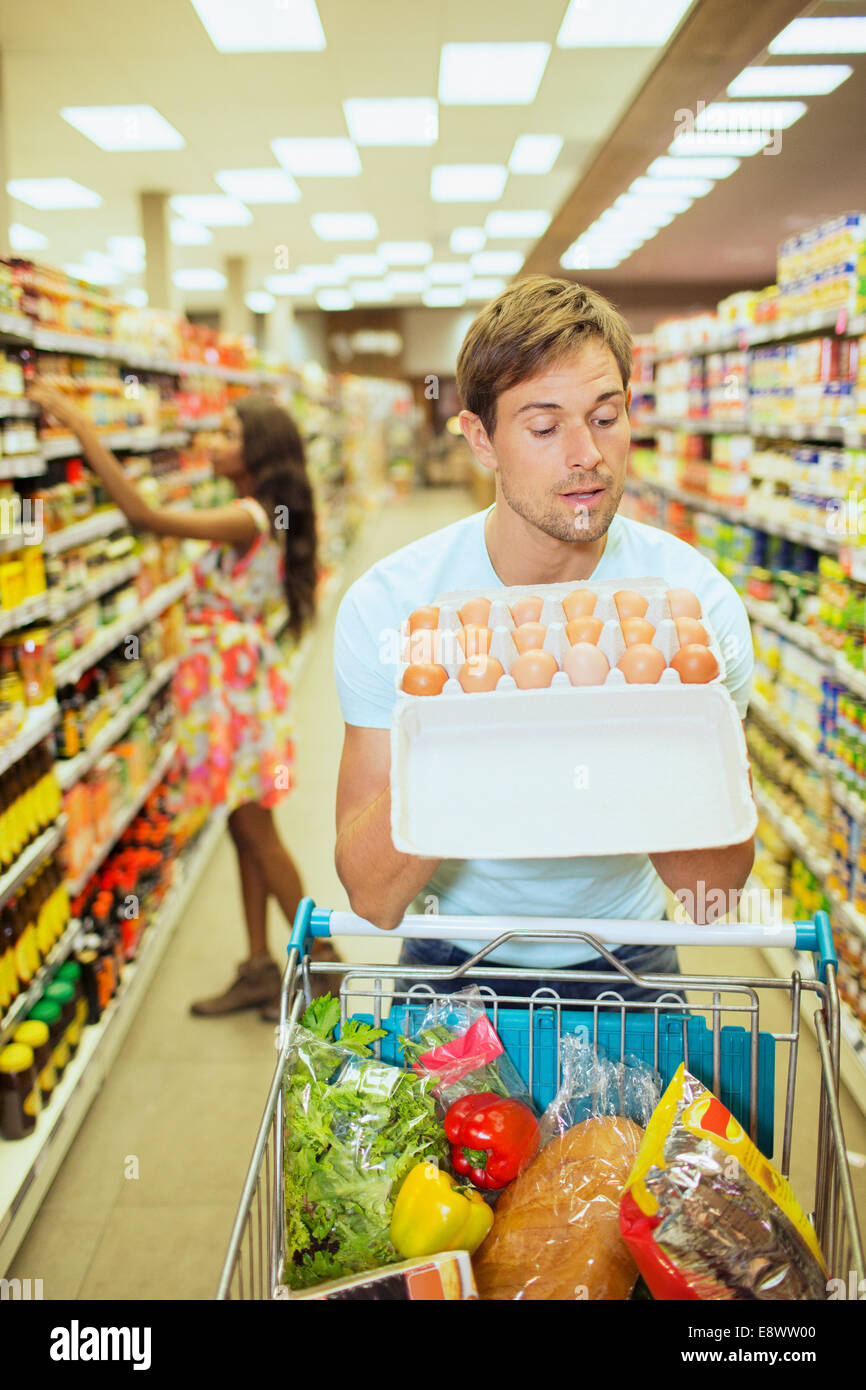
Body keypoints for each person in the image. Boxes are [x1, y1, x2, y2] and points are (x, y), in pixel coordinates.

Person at [332, 276, 755, 1001]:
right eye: (544, 426)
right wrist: (474, 725)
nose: (585, 453)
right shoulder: (394, 607)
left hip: (631, 956)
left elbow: (713, 893)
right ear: (480, 440)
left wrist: (637, 714)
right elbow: (372, 896)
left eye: (606, 415)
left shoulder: (694, 608)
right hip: (450, 958)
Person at [28, 383, 336, 1018]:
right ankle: (258, 965)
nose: (212, 444)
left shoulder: (249, 516)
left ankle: (328, 970)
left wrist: (83, 427)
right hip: (230, 687)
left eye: (227, 435)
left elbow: (146, 517)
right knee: (241, 825)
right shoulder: (260, 510)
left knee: (258, 828)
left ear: (257, 451)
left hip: (235, 694)